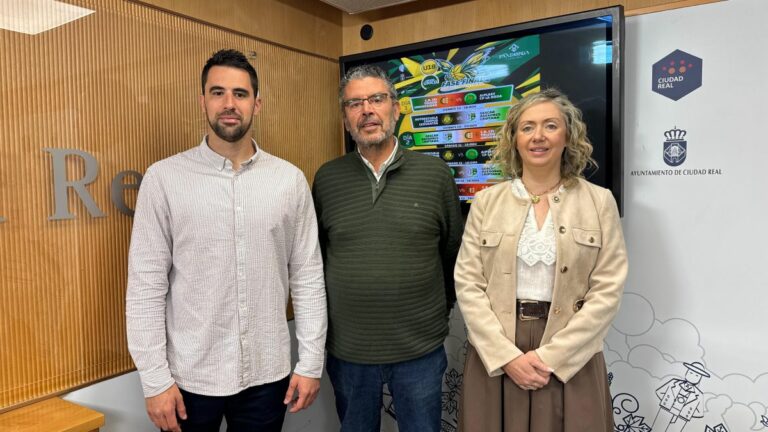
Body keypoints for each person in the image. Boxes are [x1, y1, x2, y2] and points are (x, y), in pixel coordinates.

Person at [126, 49, 327, 432]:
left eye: (240, 93)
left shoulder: (289, 180)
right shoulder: (164, 179)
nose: (229, 104)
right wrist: (154, 380)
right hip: (188, 379)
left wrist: (310, 362)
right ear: (203, 101)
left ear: (257, 103)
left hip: (268, 376)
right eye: (218, 93)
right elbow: (145, 287)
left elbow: (307, 277)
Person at [454, 88, 628, 432]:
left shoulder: (599, 202)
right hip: (498, 354)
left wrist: (551, 357)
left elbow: (608, 289)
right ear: (514, 139)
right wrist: (507, 357)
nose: (538, 137)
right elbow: (468, 283)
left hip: (570, 357)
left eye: (550, 126)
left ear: (568, 136)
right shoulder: (487, 202)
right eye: (527, 127)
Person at [312, 65, 464, 432]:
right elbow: (315, 260)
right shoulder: (326, 178)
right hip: (349, 352)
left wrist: (433, 315)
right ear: (345, 116)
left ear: (396, 109)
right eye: (354, 103)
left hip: (419, 350)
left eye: (377, 99)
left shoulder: (435, 175)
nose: (367, 110)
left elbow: (452, 254)